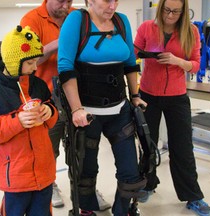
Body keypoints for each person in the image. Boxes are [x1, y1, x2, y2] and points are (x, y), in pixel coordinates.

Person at [58, 0, 147, 215]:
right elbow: (65, 67)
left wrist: (135, 95)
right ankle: (87, 209)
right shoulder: (77, 21)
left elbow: (129, 63)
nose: (112, 5)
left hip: (120, 110)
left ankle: (123, 210)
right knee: (86, 169)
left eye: (116, 0)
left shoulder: (121, 21)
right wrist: (77, 109)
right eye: (107, 0)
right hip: (88, 114)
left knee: (130, 170)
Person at [20, 0, 111, 209]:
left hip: (77, 97)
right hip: (47, 99)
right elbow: (28, 59)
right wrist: (60, 42)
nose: (66, 4)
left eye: (69, 0)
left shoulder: (78, 16)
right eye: (61, 0)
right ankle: (49, 185)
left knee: (82, 151)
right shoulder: (32, 19)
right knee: (47, 150)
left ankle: (86, 192)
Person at [134, 0, 210, 216]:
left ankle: (193, 196)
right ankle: (148, 184)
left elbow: (196, 64)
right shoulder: (146, 28)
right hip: (148, 94)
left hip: (177, 97)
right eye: (167, 10)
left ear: (183, 12)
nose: (170, 15)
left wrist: (178, 61)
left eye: (176, 11)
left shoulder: (192, 31)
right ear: (161, 9)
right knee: (147, 144)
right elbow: (133, 54)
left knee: (183, 147)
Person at [0, 25, 59, 216]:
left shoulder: (38, 84)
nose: (36, 67)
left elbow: (52, 106)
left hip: (44, 172)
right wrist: (16, 121)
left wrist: (49, 112)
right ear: (14, 62)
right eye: (31, 63)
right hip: (15, 177)